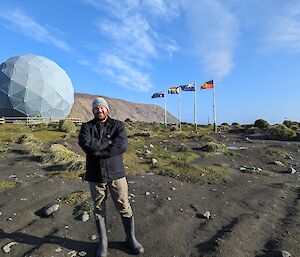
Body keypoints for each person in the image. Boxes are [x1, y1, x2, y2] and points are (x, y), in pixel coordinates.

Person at [78, 97, 144, 257]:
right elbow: (86, 144)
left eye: (102, 107)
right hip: (95, 175)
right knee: (99, 207)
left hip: (116, 174)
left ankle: (131, 238)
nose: (99, 110)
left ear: (107, 109)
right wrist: (107, 142)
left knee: (124, 205)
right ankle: (103, 243)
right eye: (96, 108)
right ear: (93, 110)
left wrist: (98, 149)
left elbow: (121, 145)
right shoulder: (87, 127)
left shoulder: (118, 125)